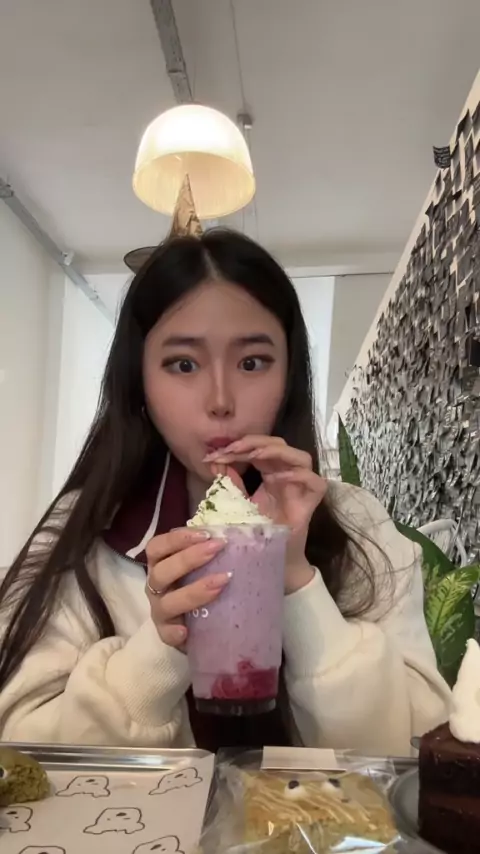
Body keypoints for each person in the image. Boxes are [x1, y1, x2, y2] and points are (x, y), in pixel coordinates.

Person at [0, 229, 449, 754]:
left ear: (289, 377)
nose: (220, 400)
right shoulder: (83, 528)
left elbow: (416, 752)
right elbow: (21, 753)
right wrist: (160, 649)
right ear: (139, 383)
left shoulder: (356, 520)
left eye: (252, 362)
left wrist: (296, 581)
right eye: (183, 364)